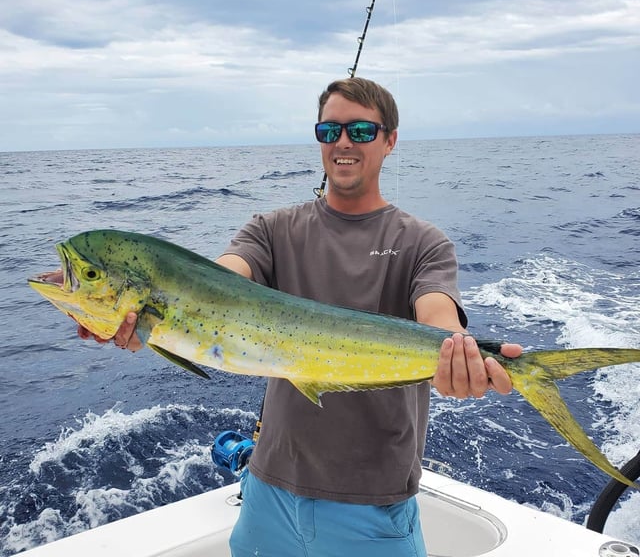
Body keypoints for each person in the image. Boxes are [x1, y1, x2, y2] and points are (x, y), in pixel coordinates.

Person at [79, 77, 522, 557]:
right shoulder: (271, 229)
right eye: (330, 131)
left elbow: (438, 313)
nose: (344, 142)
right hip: (268, 489)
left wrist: (460, 354)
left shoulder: (422, 242)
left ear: (390, 140)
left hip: (371, 502)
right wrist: (127, 311)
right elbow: (222, 279)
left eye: (361, 130)